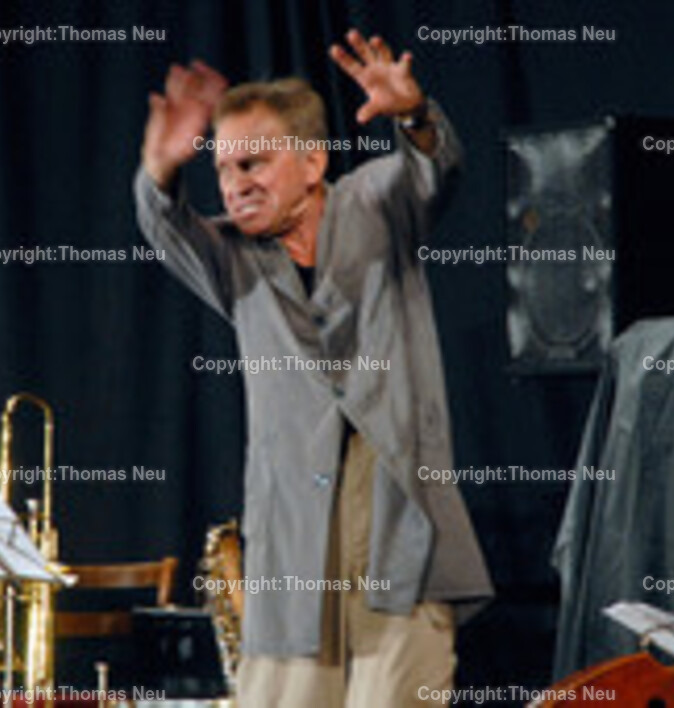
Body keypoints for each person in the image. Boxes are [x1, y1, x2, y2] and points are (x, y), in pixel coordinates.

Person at [134, 28, 493, 708]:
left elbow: (436, 169)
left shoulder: (379, 205)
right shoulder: (231, 258)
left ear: (312, 161)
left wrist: (413, 114)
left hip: (401, 535)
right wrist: (159, 169)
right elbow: (164, 224)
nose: (235, 185)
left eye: (254, 164)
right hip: (295, 554)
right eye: (223, 170)